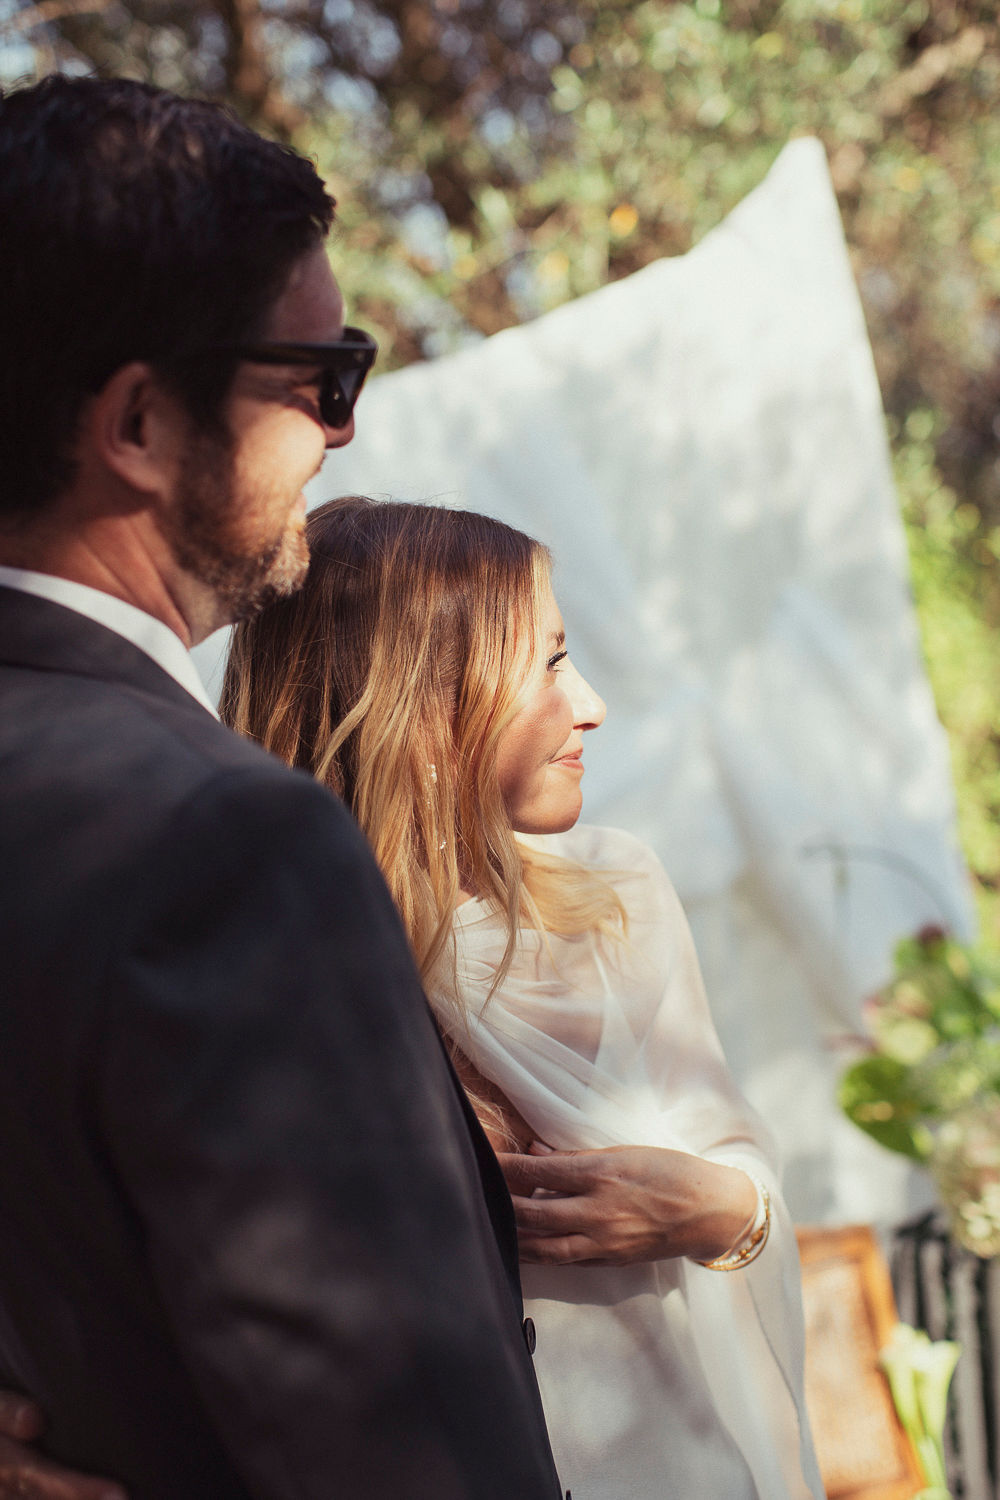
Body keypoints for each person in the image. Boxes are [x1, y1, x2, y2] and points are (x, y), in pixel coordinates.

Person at [0, 76, 563, 1500]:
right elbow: (403, 1447)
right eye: (322, 377)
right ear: (136, 424)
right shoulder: (219, 842)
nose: (344, 430)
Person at [217, 495, 825, 1500]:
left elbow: (732, 1156)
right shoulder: (277, 977)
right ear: (418, 699)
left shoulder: (614, 894)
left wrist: (719, 1213)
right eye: (545, 663)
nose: (589, 704)